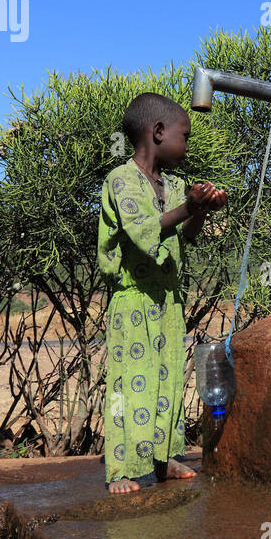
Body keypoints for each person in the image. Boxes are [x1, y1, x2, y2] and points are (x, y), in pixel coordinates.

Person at [98, 92, 227, 494]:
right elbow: (142, 231)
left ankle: (162, 459)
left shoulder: (171, 186)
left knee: (168, 381)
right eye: (184, 136)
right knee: (130, 382)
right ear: (157, 132)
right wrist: (189, 206)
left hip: (168, 301)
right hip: (134, 299)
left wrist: (200, 209)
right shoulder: (120, 180)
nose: (187, 145)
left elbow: (183, 234)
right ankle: (120, 469)